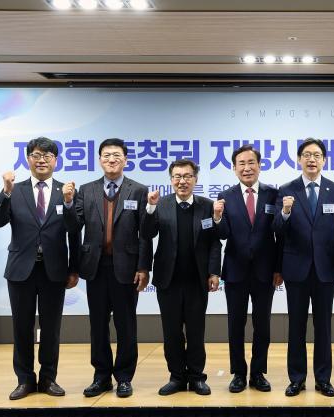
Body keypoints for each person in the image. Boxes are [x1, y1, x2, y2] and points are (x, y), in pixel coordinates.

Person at [0, 136, 79, 400]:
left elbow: (75, 231)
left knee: (51, 327)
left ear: (55, 161)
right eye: (36, 155)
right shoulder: (15, 190)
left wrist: (74, 269)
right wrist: (6, 191)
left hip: (54, 270)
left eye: (47, 156)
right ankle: (25, 380)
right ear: (27, 159)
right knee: (22, 327)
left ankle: (48, 378)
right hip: (21, 270)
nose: (42, 160)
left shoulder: (66, 191)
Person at [63, 138, 151, 398]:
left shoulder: (139, 190)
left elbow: (145, 233)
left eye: (116, 155)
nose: (111, 159)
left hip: (127, 268)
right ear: (99, 160)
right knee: (98, 325)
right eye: (106, 155)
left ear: (125, 160)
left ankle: (124, 377)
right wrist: (68, 203)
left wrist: (144, 267)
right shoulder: (86, 190)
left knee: (126, 325)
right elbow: (73, 227)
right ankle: (101, 376)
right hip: (96, 268)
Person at [274, 137, 334, 397]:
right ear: (299, 159)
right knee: (296, 326)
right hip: (296, 269)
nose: (311, 159)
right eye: (307, 155)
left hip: (326, 269)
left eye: (317, 155)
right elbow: (277, 231)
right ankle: (296, 378)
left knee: (323, 327)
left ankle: (323, 379)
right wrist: (284, 212)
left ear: (324, 160)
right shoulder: (286, 189)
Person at [141, 160, 222, 396]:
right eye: (177, 176)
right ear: (171, 180)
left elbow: (215, 242)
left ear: (195, 179)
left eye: (187, 176)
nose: (182, 181)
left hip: (197, 280)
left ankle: (196, 377)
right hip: (169, 280)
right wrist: (150, 208)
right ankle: (176, 377)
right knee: (172, 332)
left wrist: (214, 271)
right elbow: (147, 233)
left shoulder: (207, 206)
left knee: (196, 332)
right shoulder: (161, 204)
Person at [213, 144, 283, 393]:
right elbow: (222, 234)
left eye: (251, 162)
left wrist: (278, 268)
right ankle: (239, 373)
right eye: (241, 163)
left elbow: (280, 234)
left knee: (262, 325)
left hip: (266, 270)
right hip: (236, 270)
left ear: (259, 165)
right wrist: (217, 218)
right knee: (236, 325)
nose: (246, 168)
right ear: (234, 168)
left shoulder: (273, 194)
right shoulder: (226, 195)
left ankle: (258, 372)